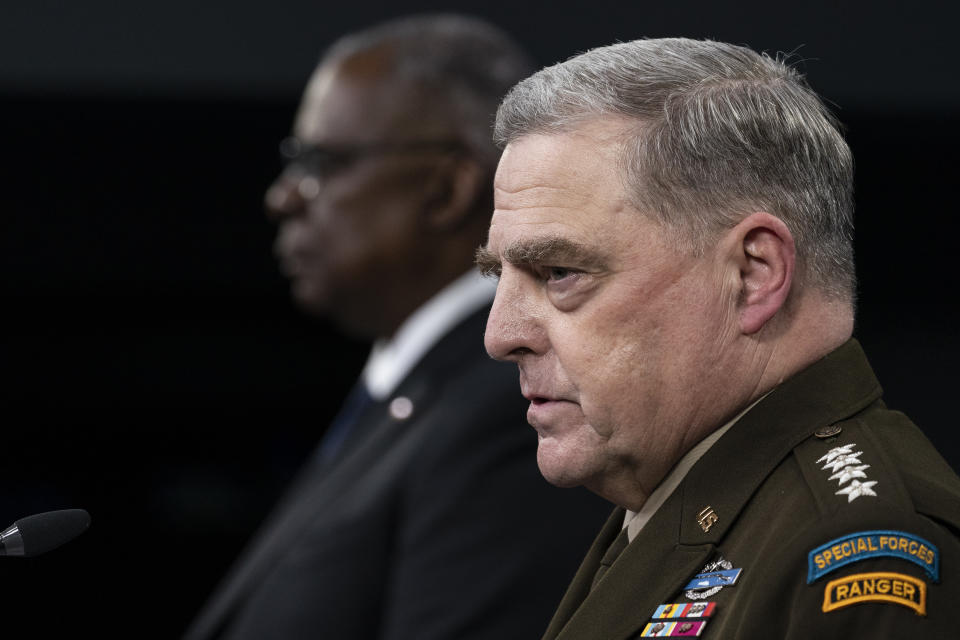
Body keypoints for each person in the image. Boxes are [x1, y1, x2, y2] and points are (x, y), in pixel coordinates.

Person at [476, 37, 960, 638]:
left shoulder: (858, 554)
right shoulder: (687, 498)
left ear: (753, 274)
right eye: (499, 275)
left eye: (560, 273)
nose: (501, 335)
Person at [183, 14, 609, 640]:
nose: (283, 197)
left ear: (447, 189)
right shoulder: (409, 396)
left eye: (319, 161)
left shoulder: (511, 407)